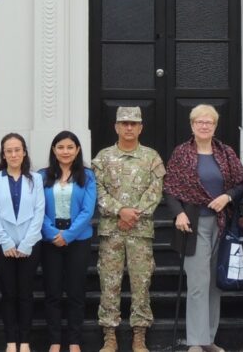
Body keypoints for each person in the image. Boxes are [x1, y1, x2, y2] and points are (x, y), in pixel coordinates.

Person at [164, 104, 243, 352]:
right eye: (199, 121)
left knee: (214, 283)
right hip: (193, 224)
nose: (204, 125)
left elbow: (241, 184)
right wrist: (178, 213)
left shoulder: (226, 153)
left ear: (215, 125)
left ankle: (208, 338)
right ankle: (195, 342)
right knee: (199, 283)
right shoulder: (181, 154)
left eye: (209, 122)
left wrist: (227, 197)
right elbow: (170, 188)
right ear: (192, 125)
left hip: (221, 223)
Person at [92, 106, 166, 352]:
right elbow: (98, 192)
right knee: (109, 282)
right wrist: (120, 211)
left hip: (140, 232)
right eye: (124, 123)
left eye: (133, 123)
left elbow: (155, 193)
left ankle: (139, 334)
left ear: (141, 127)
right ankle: (110, 334)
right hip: (111, 231)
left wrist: (133, 215)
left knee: (141, 283)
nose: (129, 127)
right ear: (116, 127)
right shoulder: (103, 158)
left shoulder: (151, 157)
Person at [0, 133, 46, 352]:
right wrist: (6, 242)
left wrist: (27, 243)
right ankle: (11, 340)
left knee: (26, 294)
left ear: (24, 152)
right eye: (8, 150)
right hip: (4, 245)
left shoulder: (36, 179)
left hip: (31, 244)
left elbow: (40, 211)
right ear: (3, 154)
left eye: (17, 150)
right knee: (9, 293)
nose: (13, 154)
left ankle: (25, 341)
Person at [39, 131, 97, 352]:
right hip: (50, 240)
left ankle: (74, 341)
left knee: (75, 292)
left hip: (78, 240)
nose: (65, 151)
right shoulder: (42, 175)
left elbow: (88, 210)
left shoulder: (88, 176)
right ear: (54, 150)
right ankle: (54, 341)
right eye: (61, 147)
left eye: (70, 147)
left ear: (77, 150)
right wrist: (53, 233)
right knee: (52, 292)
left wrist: (69, 235)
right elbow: (38, 209)